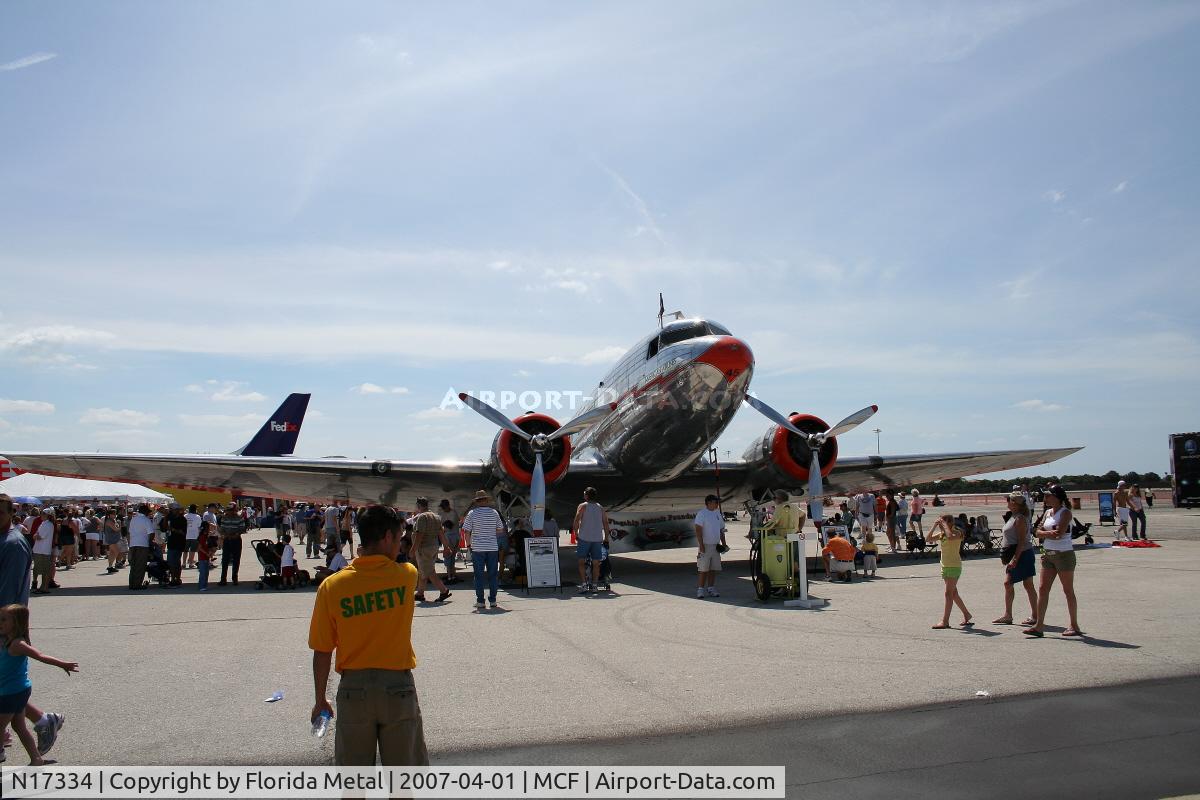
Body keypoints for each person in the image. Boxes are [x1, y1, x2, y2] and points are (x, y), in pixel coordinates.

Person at [308, 504, 429, 767]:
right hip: (398, 688)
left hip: (354, 690)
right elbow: (397, 563)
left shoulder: (332, 586)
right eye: (398, 539)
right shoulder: (406, 576)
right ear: (387, 537)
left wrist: (320, 700)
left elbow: (322, 649)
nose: (401, 546)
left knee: (354, 782)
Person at [0, 494, 66, 756]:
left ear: (11, 513)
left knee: (8, 685)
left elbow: (8, 594)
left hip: (7, 627)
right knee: (6, 686)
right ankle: (41, 720)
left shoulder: (13, 544)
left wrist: (5, 629)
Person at [0, 604, 78, 766]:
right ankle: (37, 759)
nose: (0, 622)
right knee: (19, 726)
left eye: (4, 620)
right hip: (17, 691)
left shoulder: (17, 644)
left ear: (16, 623)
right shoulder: (7, 640)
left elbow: (40, 656)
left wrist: (63, 664)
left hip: (11, 693)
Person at [1024, 485, 1082, 638]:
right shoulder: (1048, 512)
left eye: (1048, 495)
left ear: (1057, 497)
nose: (1045, 498)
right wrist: (1046, 534)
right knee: (1043, 589)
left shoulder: (1066, 513)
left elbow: (1059, 534)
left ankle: (1074, 625)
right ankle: (1039, 625)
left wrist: (1045, 533)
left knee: (1068, 590)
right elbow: (1037, 531)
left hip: (1064, 555)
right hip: (1048, 554)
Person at [994, 493, 1038, 626]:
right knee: (1009, 583)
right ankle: (1008, 615)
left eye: (1009, 500)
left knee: (1027, 584)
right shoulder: (1013, 516)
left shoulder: (1020, 519)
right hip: (1015, 554)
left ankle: (1035, 615)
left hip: (1023, 554)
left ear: (1015, 503)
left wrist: (1015, 558)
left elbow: (1022, 541)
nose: (1007, 502)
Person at [461, 490, 506, 610]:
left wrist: (469, 545)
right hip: (492, 547)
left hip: (478, 548)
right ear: (487, 500)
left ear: (476, 501)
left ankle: (480, 601)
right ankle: (493, 600)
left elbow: (466, 531)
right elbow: (500, 530)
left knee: (479, 575)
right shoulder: (495, 513)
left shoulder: (472, 513)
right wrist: (490, 532)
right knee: (493, 575)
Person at [928, 513, 972, 629]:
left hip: (954, 566)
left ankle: (945, 621)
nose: (942, 525)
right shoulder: (942, 534)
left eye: (944, 522)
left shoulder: (958, 532)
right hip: (945, 566)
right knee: (954, 594)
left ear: (951, 522)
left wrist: (945, 526)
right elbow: (928, 539)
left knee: (948, 594)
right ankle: (967, 614)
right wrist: (934, 526)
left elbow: (951, 537)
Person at [410, 499, 450, 603]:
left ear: (419, 505)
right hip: (434, 547)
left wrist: (413, 549)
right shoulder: (435, 516)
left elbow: (420, 534)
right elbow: (441, 533)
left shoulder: (422, 517)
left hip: (424, 548)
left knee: (429, 571)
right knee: (424, 570)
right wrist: (446, 547)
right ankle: (420, 593)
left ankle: (443, 590)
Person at [572, 487, 610, 594]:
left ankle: (584, 584)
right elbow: (606, 523)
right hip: (597, 539)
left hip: (584, 538)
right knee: (596, 563)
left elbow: (576, 519)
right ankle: (594, 585)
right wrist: (606, 537)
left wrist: (576, 533)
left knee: (581, 562)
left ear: (587, 496)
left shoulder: (582, 506)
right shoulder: (600, 508)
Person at [694, 494, 728, 598]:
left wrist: (724, 544)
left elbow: (721, 529)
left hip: (716, 546)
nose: (717, 504)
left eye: (717, 502)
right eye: (715, 502)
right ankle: (700, 590)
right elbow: (698, 530)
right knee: (703, 569)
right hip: (705, 545)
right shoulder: (702, 514)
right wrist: (701, 545)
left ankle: (711, 588)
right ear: (709, 503)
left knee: (713, 568)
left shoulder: (717, 513)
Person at [126, 504, 154, 591]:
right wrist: (150, 544)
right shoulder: (146, 520)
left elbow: (129, 532)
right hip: (142, 544)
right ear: (145, 512)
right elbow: (151, 533)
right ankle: (137, 585)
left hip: (133, 544)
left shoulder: (133, 519)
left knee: (133, 565)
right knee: (140, 565)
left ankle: (132, 584)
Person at [218, 504, 246, 586]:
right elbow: (222, 529)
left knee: (236, 559)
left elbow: (242, 529)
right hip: (227, 540)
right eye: (228, 510)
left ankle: (235, 578)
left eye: (231, 510)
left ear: (235, 510)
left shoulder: (239, 518)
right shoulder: (224, 518)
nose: (229, 512)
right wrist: (225, 535)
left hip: (236, 540)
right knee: (225, 560)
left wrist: (235, 535)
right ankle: (223, 579)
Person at [437, 500, 461, 584]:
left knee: (449, 557)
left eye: (444, 507)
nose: (443, 509)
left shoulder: (453, 513)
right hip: (447, 536)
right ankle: (451, 575)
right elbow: (442, 524)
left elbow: (449, 525)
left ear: (448, 506)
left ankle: (450, 577)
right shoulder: (444, 513)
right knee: (449, 557)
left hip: (453, 536)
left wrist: (443, 524)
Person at [183, 504, 202, 569]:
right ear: (195, 509)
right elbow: (199, 526)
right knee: (192, 550)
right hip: (194, 535)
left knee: (185, 550)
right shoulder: (198, 517)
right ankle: (191, 563)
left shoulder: (185, 516)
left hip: (186, 535)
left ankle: (183, 563)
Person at [196, 523, 213, 591]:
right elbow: (199, 548)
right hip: (202, 557)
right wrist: (206, 553)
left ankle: (204, 585)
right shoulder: (202, 536)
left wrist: (210, 552)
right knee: (203, 572)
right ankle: (201, 586)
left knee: (206, 572)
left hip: (206, 557)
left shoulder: (206, 536)